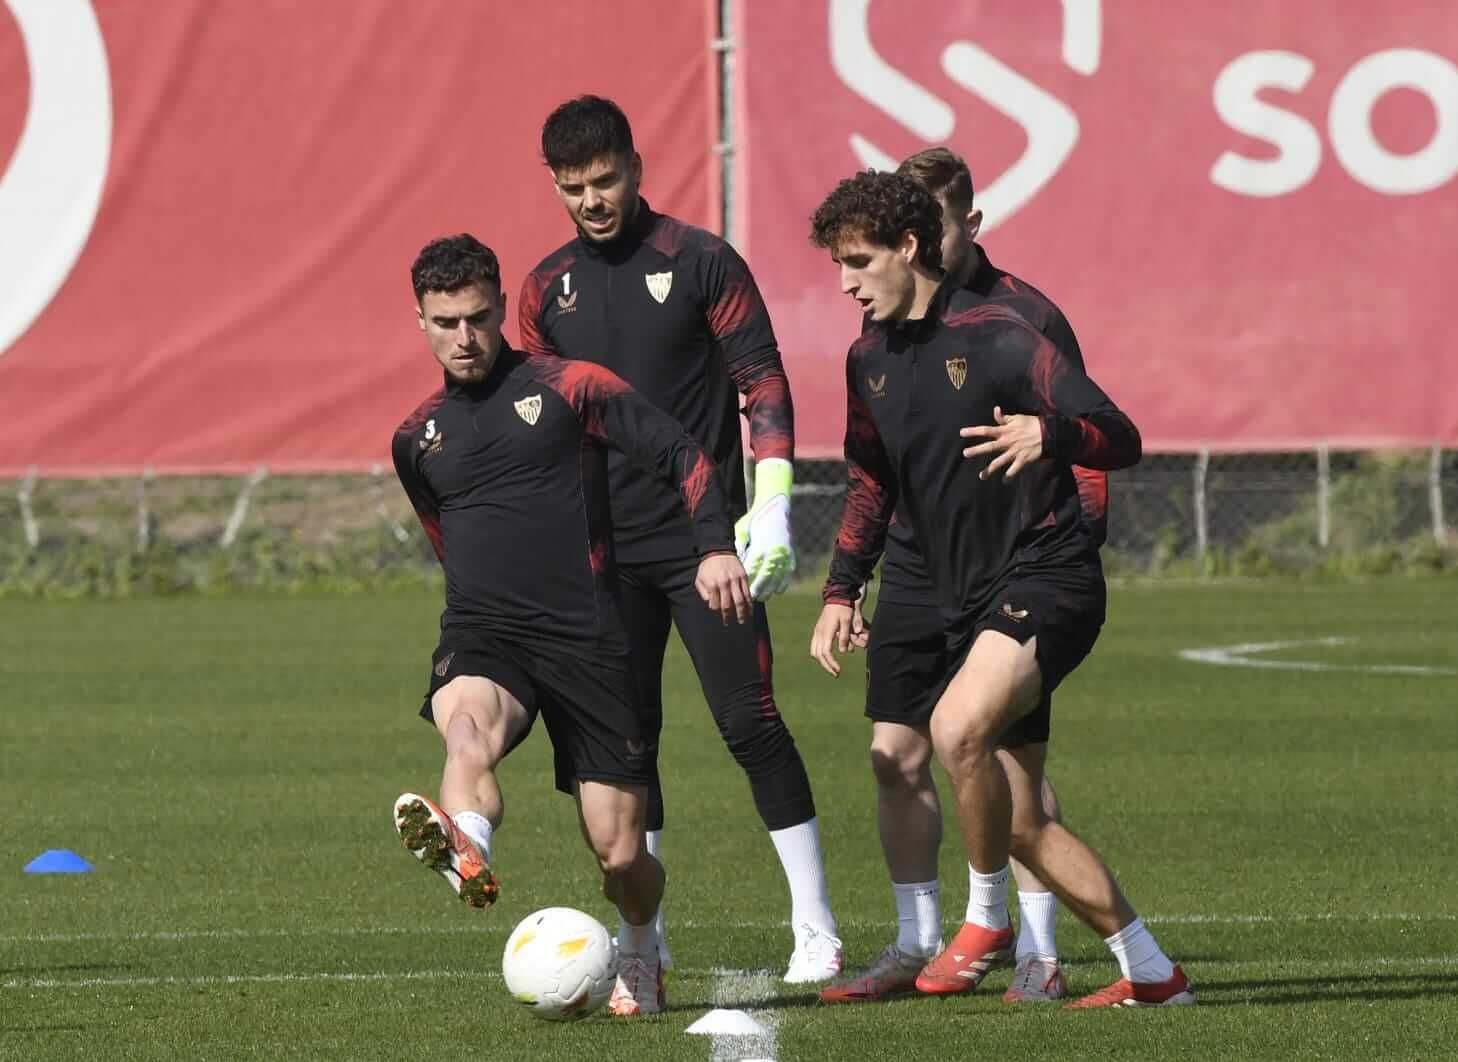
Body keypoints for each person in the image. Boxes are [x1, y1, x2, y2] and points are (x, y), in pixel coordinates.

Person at [808, 172, 1195, 1008]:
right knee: (1020, 818)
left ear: (909, 249)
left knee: (956, 728)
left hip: (1042, 575)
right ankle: (1153, 973)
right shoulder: (866, 355)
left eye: (858, 261)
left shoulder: (1006, 334)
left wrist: (1047, 431)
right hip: (935, 586)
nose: (844, 281)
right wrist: (843, 588)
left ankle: (988, 921)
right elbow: (871, 479)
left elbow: (1119, 436)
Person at [518, 95, 841, 982]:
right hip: (600, 561)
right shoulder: (544, 289)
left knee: (750, 722)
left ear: (637, 165)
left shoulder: (700, 260)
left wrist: (766, 502)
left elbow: (763, 383)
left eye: (606, 179)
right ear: (554, 184)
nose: (593, 199)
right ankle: (643, 940)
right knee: (629, 746)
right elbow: (543, 432)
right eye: (573, 187)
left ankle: (815, 927)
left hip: (706, 548)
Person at [391, 233, 752, 1017]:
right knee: (464, 731)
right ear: (419, 320)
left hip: (589, 636)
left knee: (621, 853)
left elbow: (683, 452)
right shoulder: (416, 438)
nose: (464, 337)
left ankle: (643, 944)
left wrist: (715, 545)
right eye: (446, 321)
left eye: (479, 318)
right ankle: (468, 847)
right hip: (486, 633)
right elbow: (446, 540)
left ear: (499, 310)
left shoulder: (571, 386)